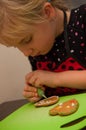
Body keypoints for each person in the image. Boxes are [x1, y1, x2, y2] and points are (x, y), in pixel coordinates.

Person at [0, 0, 86, 103]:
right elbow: (50, 92)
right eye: (16, 46)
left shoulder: (82, 19)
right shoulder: (37, 50)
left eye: (27, 40)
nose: (26, 53)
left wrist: (55, 79)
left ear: (47, 12)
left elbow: (52, 80)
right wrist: (37, 92)